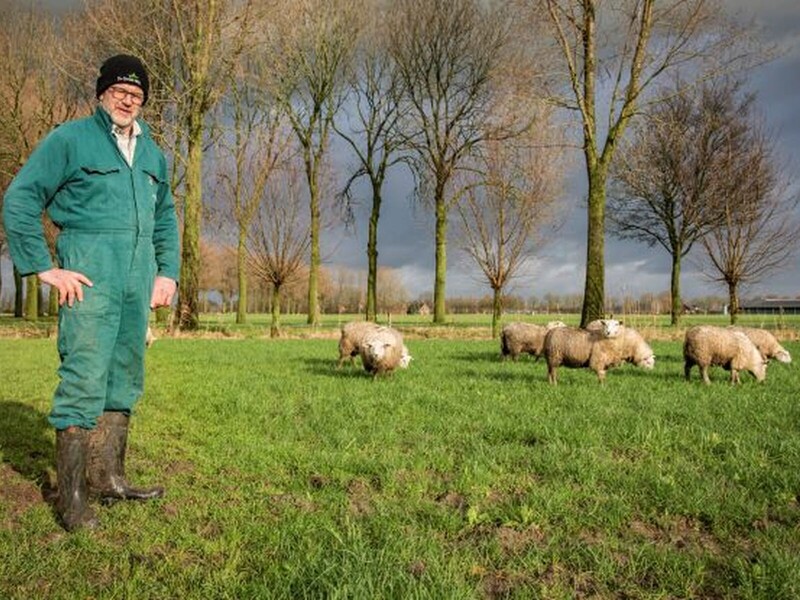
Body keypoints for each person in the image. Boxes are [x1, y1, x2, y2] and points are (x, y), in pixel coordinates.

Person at [2, 54, 180, 531]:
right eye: (120, 91)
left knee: (124, 376)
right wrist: (44, 268)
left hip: (137, 281)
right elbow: (20, 198)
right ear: (102, 93)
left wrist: (167, 274)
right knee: (83, 378)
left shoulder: (153, 154)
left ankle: (110, 478)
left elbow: (164, 217)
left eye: (137, 95)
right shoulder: (70, 140)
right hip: (89, 280)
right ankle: (73, 498)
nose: (128, 100)